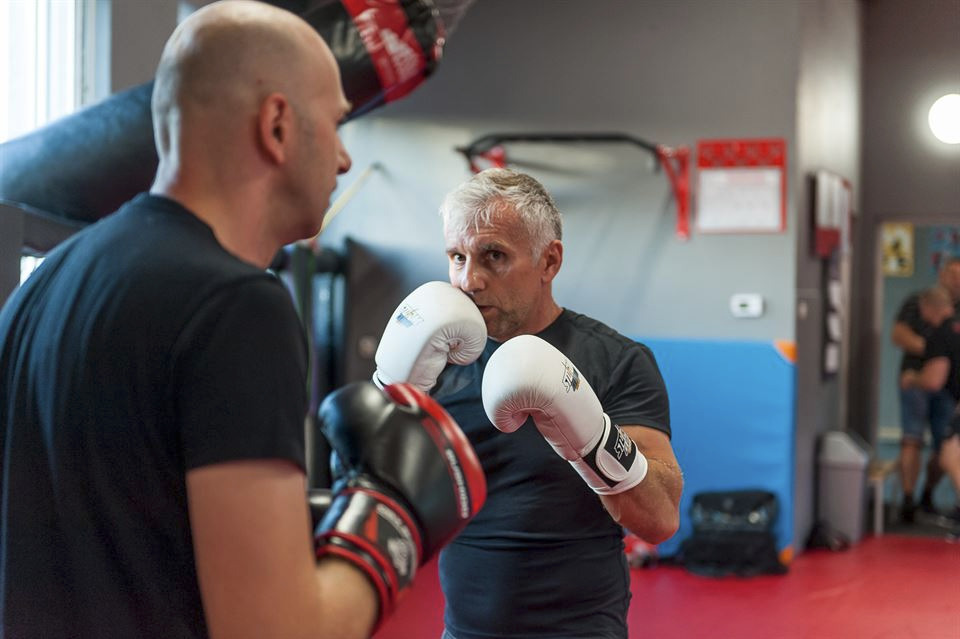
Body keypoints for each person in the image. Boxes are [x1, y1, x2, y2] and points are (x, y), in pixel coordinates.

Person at [0, 2, 486, 638]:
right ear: (278, 124)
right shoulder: (235, 306)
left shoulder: (44, 287)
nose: (343, 159)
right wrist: (389, 519)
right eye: (336, 125)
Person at [373, 168, 683, 638]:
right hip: (463, 630)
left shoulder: (617, 361)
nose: (468, 280)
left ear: (549, 261)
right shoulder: (438, 361)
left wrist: (591, 436)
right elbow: (382, 498)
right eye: (457, 257)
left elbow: (660, 518)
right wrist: (389, 395)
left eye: (493, 256)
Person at [891, 260, 960, 521]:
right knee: (913, 438)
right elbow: (898, 335)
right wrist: (935, 349)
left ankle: (927, 494)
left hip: (946, 388)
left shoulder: (948, 327)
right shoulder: (919, 302)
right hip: (921, 381)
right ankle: (909, 501)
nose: (956, 281)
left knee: (948, 448)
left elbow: (936, 378)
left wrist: (943, 349)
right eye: (952, 275)